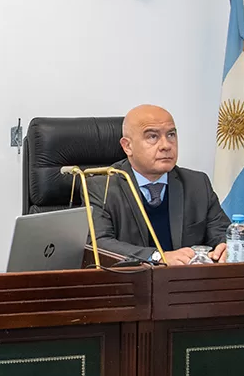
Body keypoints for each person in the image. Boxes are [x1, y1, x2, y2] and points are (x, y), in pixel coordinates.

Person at [88, 104, 231, 265]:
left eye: (171, 135)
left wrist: (226, 246)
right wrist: (157, 256)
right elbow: (98, 243)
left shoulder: (197, 184)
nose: (166, 145)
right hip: (129, 284)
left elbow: (221, 232)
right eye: (152, 137)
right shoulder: (103, 186)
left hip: (188, 284)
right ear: (127, 146)